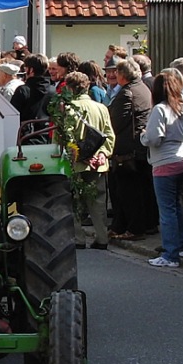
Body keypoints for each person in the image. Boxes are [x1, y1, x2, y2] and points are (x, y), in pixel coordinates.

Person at [141, 69, 183, 268]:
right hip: (182, 159)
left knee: (167, 210)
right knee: (179, 206)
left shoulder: (160, 109)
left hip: (164, 162)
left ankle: (170, 254)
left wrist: (142, 136)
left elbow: (154, 138)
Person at [64, 72, 115, 249]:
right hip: (98, 164)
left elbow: (66, 138)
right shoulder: (101, 108)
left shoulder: (70, 108)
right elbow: (109, 135)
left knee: (75, 201)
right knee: (98, 201)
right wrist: (102, 154)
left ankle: (79, 239)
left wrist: (80, 157)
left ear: (70, 88)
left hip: (77, 164)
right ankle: (102, 238)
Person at [108, 59, 154, 240]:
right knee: (136, 190)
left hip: (128, 150)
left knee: (128, 192)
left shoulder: (128, 93)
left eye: (117, 73)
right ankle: (121, 226)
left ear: (123, 75)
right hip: (139, 148)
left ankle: (134, 229)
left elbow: (116, 122)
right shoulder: (143, 88)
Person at [10, 54, 56, 144]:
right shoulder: (53, 91)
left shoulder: (23, 90)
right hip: (48, 139)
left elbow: (12, 116)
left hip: (26, 139)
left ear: (31, 70)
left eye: (25, 68)